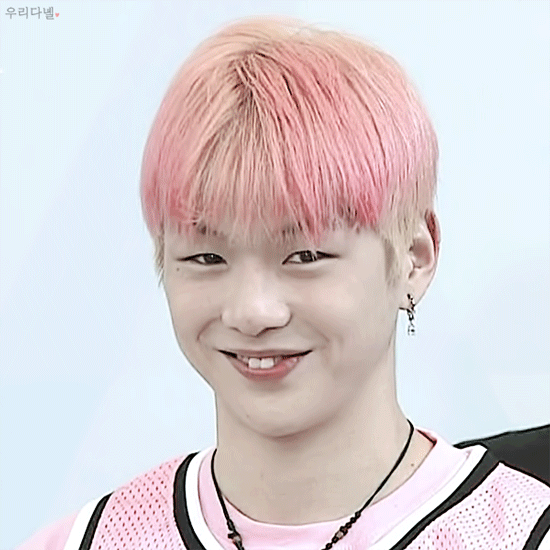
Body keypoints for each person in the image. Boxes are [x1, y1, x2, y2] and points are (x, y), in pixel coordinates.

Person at [18, 16, 550, 550]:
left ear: (415, 258)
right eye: (206, 256)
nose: (251, 311)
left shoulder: (519, 532)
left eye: (305, 255)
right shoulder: (87, 540)